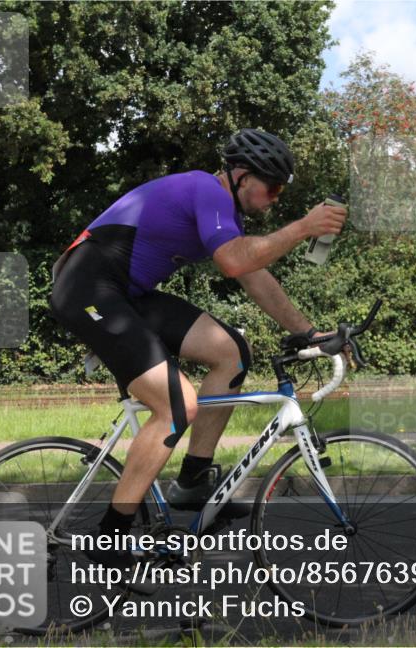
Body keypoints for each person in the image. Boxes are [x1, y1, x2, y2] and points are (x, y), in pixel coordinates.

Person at [49, 129, 346, 576]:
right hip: (86, 286)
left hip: (127, 294)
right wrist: (304, 227)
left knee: (232, 351)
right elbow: (233, 262)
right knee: (175, 405)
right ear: (243, 177)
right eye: (273, 187)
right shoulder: (205, 189)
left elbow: (254, 275)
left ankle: (192, 481)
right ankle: (110, 535)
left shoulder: (228, 214)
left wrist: (309, 333)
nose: (275, 199)